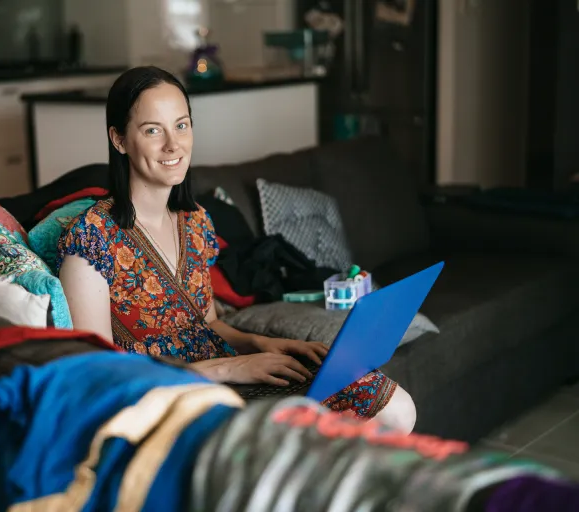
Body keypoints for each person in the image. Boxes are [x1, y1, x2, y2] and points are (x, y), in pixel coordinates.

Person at [57, 66, 416, 433]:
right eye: (153, 130)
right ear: (119, 139)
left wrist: (265, 344)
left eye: (182, 125)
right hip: (175, 400)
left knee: (391, 402)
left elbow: (209, 323)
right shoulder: (90, 241)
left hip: (233, 375)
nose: (173, 145)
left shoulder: (193, 222)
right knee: (381, 415)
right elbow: (99, 379)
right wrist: (230, 368)